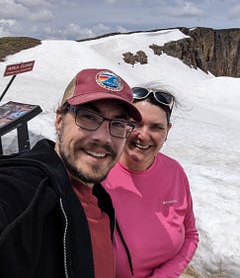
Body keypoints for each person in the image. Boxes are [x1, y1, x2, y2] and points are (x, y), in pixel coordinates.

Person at [0, 68, 141, 277]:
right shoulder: (25, 194)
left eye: (118, 124)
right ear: (59, 120)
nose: (103, 137)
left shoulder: (100, 199)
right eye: (89, 117)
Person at [104, 86, 199, 278]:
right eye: (135, 124)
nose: (144, 135)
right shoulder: (98, 172)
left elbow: (190, 236)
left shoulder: (174, 172)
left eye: (156, 127)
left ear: (167, 130)